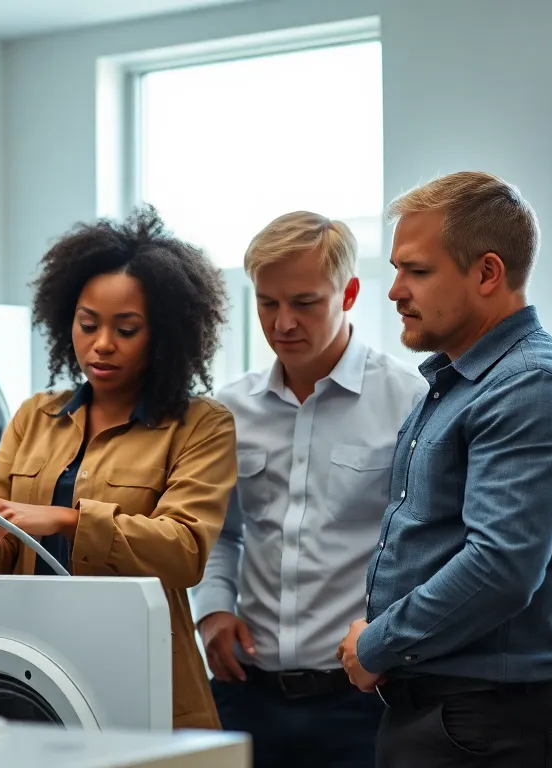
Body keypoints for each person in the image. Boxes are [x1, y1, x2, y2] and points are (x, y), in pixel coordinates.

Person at [0, 205, 237, 730]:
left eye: (127, 329)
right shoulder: (36, 415)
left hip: (144, 670)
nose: (101, 344)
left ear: (163, 334)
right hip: (33, 669)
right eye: (88, 324)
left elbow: (184, 551)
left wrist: (66, 519)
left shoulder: (200, 424)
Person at [335, 171, 552, 767]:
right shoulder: (462, 383)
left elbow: (500, 567)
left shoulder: (531, 388)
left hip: (491, 722)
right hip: (449, 713)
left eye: (416, 270)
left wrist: (380, 644)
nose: (394, 291)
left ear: (487, 273)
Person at [190, 211, 427, 767]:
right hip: (243, 690)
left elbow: (423, 544)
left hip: (364, 698)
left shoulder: (408, 400)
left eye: (304, 302)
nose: (283, 323)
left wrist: (388, 639)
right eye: (267, 303)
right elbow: (220, 533)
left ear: (347, 293)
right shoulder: (229, 408)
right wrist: (214, 610)